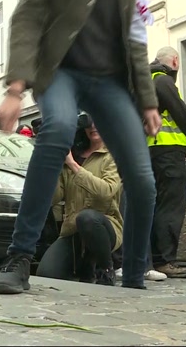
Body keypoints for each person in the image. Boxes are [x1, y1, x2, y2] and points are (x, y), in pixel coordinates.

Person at [0, 0, 161, 293]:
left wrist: (148, 100)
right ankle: (19, 258)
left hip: (110, 81)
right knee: (59, 127)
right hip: (60, 71)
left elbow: (136, 36)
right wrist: (16, 88)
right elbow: (29, 13)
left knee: (143, 180)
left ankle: (135, 276)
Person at [36, 113, 122, 286]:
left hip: (104, 226)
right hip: (72, 229)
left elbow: (106, 191)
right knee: (46, 274)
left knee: (88, 218)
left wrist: (74, 166)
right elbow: (52, 199)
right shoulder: (72, 155)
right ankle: (83, 265)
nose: (93, 127)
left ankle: (105, 269)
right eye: (88, 123)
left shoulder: (112, 156)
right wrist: (51, 164)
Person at [147, 47, 186, 279]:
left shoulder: (147, 80)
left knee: (157, 204)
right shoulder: (163, 80)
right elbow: (180, 112)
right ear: (176, 61)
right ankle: (165, 260)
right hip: (168, 152)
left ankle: (153, 258)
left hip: (151, 150)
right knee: (170, 206)